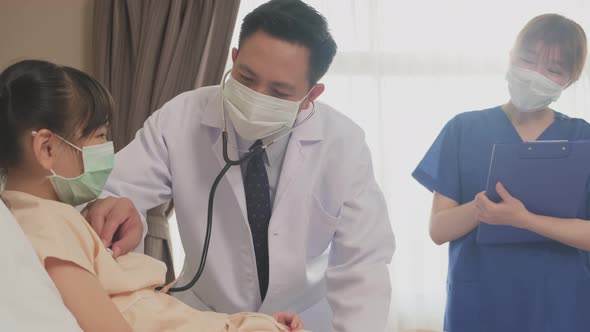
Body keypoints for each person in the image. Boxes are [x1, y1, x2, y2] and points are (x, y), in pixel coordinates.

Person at [84, 0, 395, 331]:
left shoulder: (343, 143)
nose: (256, 96)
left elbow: (363, 262)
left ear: (311, 95)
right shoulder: (180, 118)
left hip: (302, 320)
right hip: (207, 317)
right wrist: (120, 213)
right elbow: (116, 191)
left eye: (279, 91)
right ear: (233, 59)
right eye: (246, 78)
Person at [0, 59, 305, 332]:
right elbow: (105, 324)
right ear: (47, 148)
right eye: (100, 135)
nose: (107, 147)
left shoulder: (44, 214)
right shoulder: (46, 221)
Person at [413, 14, 590, 332]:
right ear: (510, 57)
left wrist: (524, 219)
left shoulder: (583, 139)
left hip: (563, 306)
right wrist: (482, 209)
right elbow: (439, 230)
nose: (536, 75)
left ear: (570, 81)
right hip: (480, 303)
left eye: (553, 70)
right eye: (528, 59)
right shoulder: (463, 129)